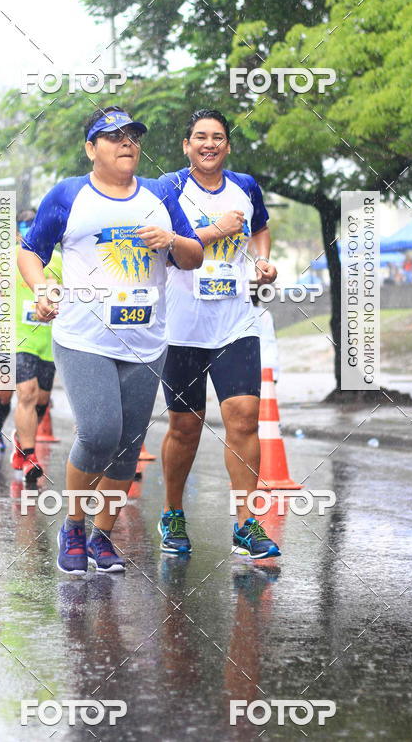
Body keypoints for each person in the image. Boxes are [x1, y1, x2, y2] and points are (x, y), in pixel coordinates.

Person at [18, 105, 203, 575]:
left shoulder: (160, 194)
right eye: (113, 136)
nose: (127, 144)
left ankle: (102, 535)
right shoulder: (68, 195)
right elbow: (30, 252)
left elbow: (194, 255)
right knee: (100, 432)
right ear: (91, 148)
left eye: (133, 136)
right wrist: (42, 287)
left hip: (146, 340)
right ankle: (73, 526)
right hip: (84, 336)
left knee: (127, 444)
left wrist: (171, 240)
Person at [159, 108, 281, 559]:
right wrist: (217, 230)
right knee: (186, 427)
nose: (208, 144)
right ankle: (172, 512)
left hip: (236, 322)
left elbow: (261, 228)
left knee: (245, 417)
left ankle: (247, 524)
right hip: (183, 327)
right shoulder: (169, 188)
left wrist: (262, 262)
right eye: (200, 137)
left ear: (227, 145)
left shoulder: (245, 186)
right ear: (187, 145)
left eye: (217, 137)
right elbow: (170, 244)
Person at [0, 209, 62, 485]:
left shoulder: (59, 260)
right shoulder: (2, 261)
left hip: (47, 340)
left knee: (41, 400)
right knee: (26, 393)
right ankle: (30, 456)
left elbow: (69, 297)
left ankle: (21, 441)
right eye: (25, 228)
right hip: (15, 337)